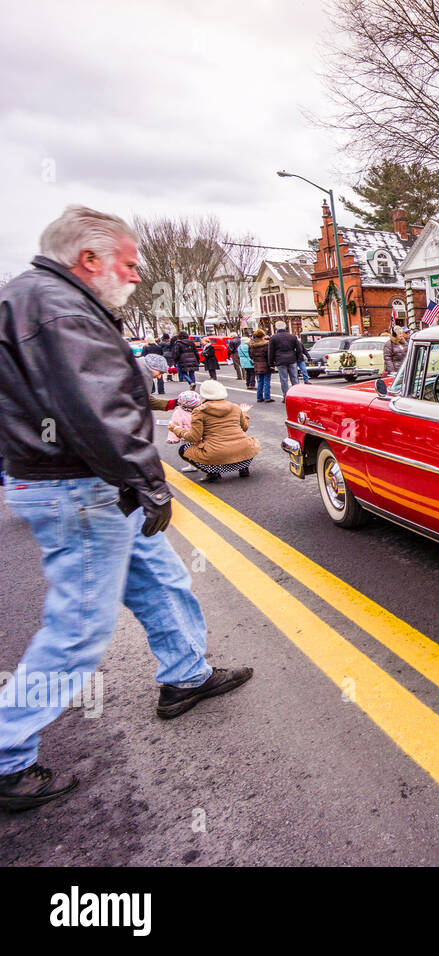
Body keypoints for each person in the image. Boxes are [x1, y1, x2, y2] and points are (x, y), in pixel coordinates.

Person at [0, 205, 252, 810]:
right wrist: (148, 480)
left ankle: (184, 675)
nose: (138, 275)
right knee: (80, 625)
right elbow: (96, 408)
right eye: (130, 264)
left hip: (85, 481)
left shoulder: (34, 299)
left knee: (161, 578)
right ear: (89, 259)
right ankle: (7, 753)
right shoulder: (59, 307)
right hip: (82, 484)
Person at [169, 379, 260, 483]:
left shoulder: (199, 411)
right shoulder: (235, 407)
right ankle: (243, 467)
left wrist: (176, 428)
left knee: (184, 450)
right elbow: (244, 428)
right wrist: (245, 413)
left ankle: (212, 473)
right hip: (245, 450)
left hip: (217, 453)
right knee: (243, 445)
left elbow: (194, 437)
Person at [268, 321, 304, 401]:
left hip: (280, 360)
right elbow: (299, 349)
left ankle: (286, 396)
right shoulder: (292, 336)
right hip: (292, 359)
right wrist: (299, 358)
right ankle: (296, 395)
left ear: (276, 328)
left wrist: (271, 363)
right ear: (285, 327)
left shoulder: (273, 338)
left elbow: (271, 351)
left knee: (284, 379)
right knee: (294, 378)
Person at [249, 329, 272, 402]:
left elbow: (250, 355)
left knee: (260, 381)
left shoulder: (251, 345)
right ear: (263, 336)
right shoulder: (266, 344)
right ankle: (267, 397)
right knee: (266, 381)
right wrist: (271, 364)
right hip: (265, 364)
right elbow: (268, 355)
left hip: (256, 364)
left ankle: (259, 397)